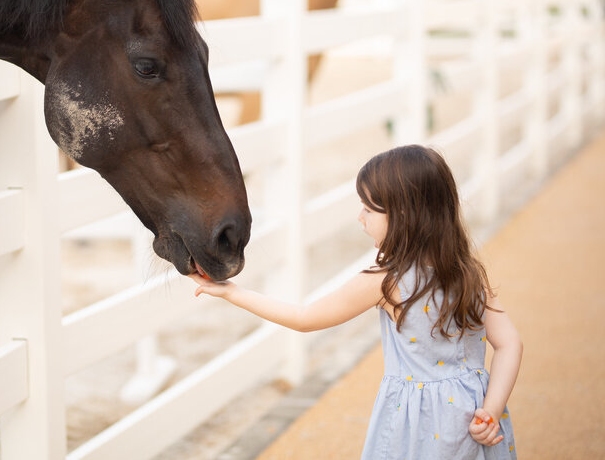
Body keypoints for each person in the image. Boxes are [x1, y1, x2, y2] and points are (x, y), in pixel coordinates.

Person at [190, 145, 522, 459]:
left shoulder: (386, 281)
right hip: (472, 415)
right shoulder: (468, 272)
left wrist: (233, 292)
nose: (360, 217)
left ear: (403, 214)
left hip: (418, 424)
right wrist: (491, 409)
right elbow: (509, 344)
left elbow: (304, 318)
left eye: (368, 208)